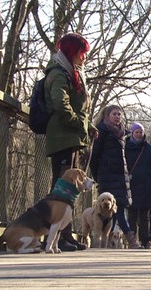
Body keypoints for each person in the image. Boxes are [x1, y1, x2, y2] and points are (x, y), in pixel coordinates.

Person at [43, 33, 97, 251]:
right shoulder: (58, 73)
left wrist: (88, 126)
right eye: (82, 53)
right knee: (62, 185)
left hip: (72, 135)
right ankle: (56, 235)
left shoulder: (71, 72)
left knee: (69, 186)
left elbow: (77, 107)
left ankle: (65, 234)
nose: (84, 57)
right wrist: (79, 124)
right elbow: (61, 105)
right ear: (72, 52)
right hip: (63, 136)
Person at [89, 105, 143, 249]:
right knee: (115, 210)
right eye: (114, 114)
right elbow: (94, 156)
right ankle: (131, 240)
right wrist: (97, 175)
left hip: (120, 177)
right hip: (107, 175)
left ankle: (111, 241)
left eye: (119, 114)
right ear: (107, 115)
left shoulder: (122, 134)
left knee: (117, 209)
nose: (117, 116)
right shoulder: (102, 131)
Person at [125, 122, 151, 248]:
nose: (140, 134)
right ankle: (132, 240)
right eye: (137, 132)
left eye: (141, 132)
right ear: (132, 133)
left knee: (145, 216)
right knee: (132, 215)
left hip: (147, 186)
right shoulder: (126, 147)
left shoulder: (149, 149)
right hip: (131, 186)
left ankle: (145, 240)